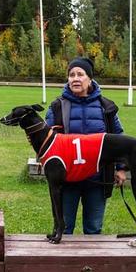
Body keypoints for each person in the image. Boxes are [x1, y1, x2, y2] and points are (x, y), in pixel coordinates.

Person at [45, 57, 126, 235]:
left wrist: (121, 168)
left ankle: (91, 263)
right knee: (64, 228)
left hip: (97, 178)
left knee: (93, 228)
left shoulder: (106, 107)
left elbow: (118, 138)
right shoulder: (57, 107)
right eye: (71, 74)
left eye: (80, 74)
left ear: (90, 79)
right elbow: (46, 141)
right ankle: (63, 262)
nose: (75, 78)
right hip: (67, 180)